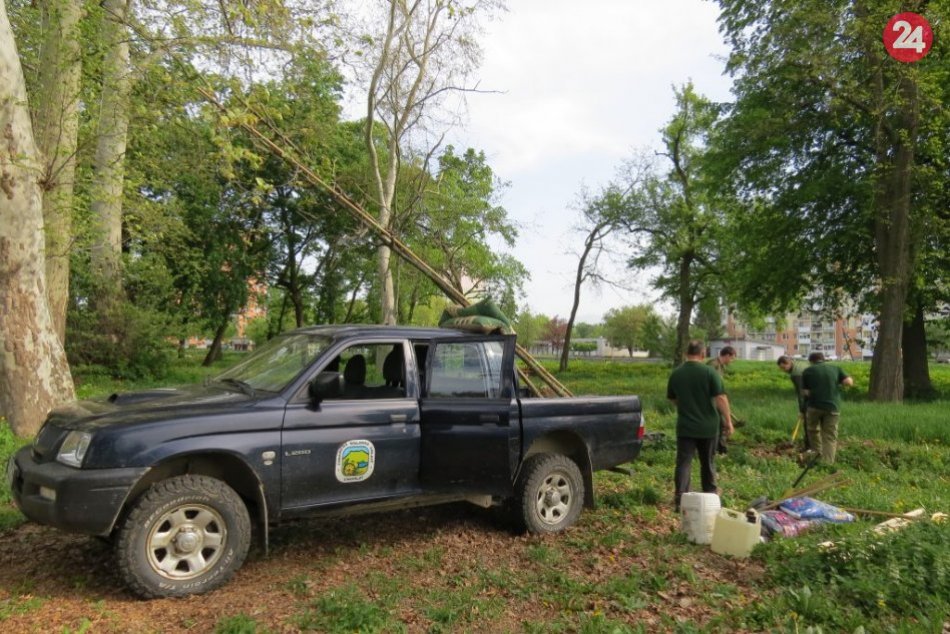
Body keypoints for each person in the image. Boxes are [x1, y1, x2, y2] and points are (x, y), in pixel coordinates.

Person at [668, 340, 733, 511]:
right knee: (708, 462)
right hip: (708, 427)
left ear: (686, 353)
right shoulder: (710, 372)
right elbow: (721, 398)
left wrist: (686, 407)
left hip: (685, 427)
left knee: (683, 463)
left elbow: (673, 398)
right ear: (703, 353)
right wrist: (728, 421)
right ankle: (710, 496)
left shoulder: (676, 374)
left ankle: (680, 498)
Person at [801, 352, 854, 464]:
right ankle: (828, 463)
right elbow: (848, 382)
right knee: (830, 436)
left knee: (813, 430)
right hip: (832, 407)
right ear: (823, 359)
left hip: (814, 406)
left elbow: (806, 392)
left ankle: (816, 455)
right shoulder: (835, 368)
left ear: (811, 362)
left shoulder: (807, 371)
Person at [707, 345, 738, 453]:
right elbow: (708, 384)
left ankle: (720, 448)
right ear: (727, 355)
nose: (732, 361)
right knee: (720, 424)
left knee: (721, 424)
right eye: (732, 358)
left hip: (717, 399)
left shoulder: (720, 366)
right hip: (712, 400)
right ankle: (718, 449)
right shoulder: (713, 365)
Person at [777, 355, 809, 450]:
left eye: (784, 367)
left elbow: (801, 393)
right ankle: (814, 445)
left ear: (789, 362)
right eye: (781, 368)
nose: (784, 370)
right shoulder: (800, 363)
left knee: (808, 422)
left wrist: (802, 410)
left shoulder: (796, 373)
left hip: (811, 396)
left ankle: (809, 447)